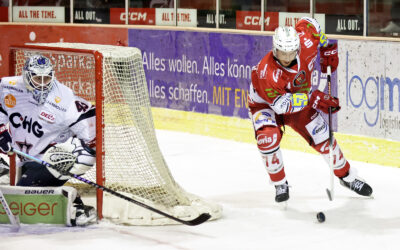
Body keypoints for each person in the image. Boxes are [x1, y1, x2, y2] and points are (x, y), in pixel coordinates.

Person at [248, 17, 373, 203]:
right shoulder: (267, 73)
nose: (288, 57)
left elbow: (310, 22)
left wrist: (326, 48)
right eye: (283, 53)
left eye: (292, 52)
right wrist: (313, 99)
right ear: (275, 49)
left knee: (323, 137)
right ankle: (280, 182)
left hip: (299, 101)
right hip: (266, 104)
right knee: (267, 138)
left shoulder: (306, 39)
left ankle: (347, 176)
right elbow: (281, 106)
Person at [0, 55, 97, 225]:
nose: (43, 83)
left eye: (47, 78)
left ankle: (73, 203)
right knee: (20, 199)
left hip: (46, 159)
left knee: (22, 203)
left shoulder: (65, 98)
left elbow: (92, 138)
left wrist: (64, 158)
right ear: (27, 76)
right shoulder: (8, 87)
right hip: (23, 159)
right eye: (38, 78)